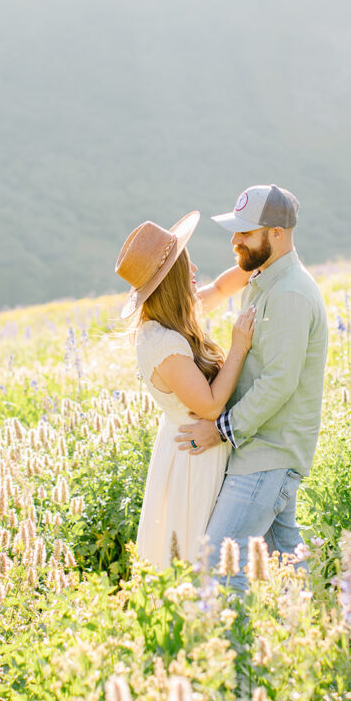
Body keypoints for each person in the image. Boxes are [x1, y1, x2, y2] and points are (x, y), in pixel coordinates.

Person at [177, 185, 328, 593]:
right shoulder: (263, 281)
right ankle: (330, 635)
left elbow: (279, 382)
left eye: (245, 232)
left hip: (268, 451)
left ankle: (233, 654)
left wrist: (219, 428)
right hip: (261, 446)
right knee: (287, 560)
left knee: (220, 562)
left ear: (276, 233)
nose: (234, 240)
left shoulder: (290, 294)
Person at [114, 211, 256, 568]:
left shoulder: (175, 315)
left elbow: (223, 287)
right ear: (171, 280)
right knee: (195, 555)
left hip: (201, 446)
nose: (195, 272)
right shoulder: (161, 342)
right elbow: (209, 406)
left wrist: (260, 261)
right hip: (193, 457)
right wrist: (238, 346)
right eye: (186, 267)